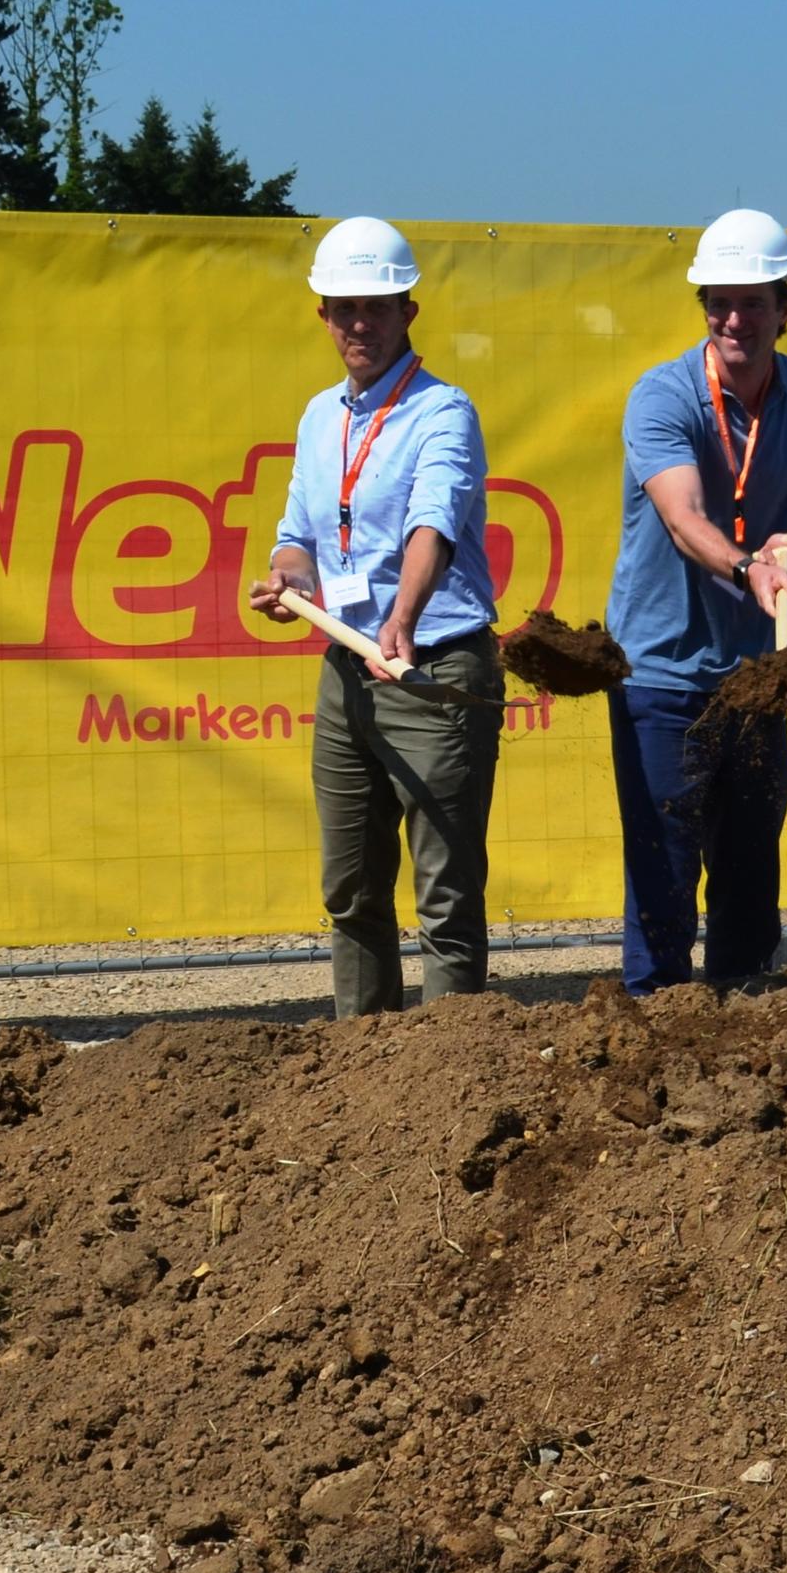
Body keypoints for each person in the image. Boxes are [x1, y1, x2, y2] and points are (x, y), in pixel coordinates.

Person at [248, 215, 502, 1017]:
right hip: (346, 670)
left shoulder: (442, 412)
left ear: (407, 315)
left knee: (445, 893)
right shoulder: (321, 417)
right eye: (344, 308)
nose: (360, 323)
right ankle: (364, 1064)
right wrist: (286, 582)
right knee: (351, 887)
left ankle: (450, 1075)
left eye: (377, 307)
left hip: (432, 663)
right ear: (322, 316)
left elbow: (434, 520)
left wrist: (403, 614)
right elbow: (298, 536)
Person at [605, 208, 787, 994]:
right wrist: (749, 569)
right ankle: (656, 1022)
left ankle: (745, 1018)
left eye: (753, 302)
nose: (734, 319)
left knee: (748, 866)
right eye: (718, 302)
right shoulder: (662, 396)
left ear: (786, 309)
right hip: (661, 671)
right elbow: (683, 518)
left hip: (752, 677)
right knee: (663, 869)